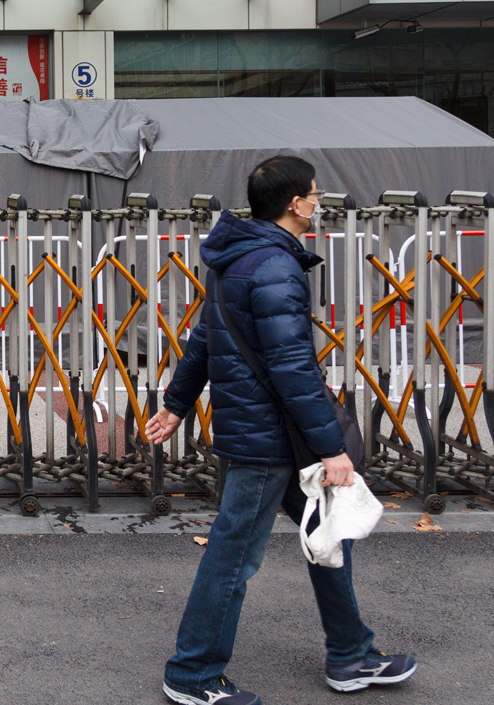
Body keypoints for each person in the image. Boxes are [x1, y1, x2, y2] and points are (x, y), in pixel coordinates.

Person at [147, 155, 415, 705]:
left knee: (330, 533)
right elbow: (292, 365)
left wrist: (177, 402)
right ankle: (192, 673)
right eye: (315, 196)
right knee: (233, 555)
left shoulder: (237, 256)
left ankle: (351, 655)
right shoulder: (272, 265)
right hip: (269, 439)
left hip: (271, 432)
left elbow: (206, 337)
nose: (318, 204)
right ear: (295, 204)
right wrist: (331, 448)